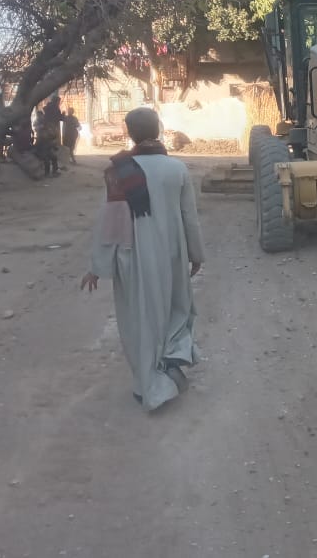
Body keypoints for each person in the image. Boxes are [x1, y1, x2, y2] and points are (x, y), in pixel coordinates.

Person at [80, 107, 204, 412]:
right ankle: (171, 360)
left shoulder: (119, 171)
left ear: (129, 132)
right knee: (176, 309)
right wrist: (196, 254)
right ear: (158, 129)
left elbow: (110, 223)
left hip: (132, 258)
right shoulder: (176, 169)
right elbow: (189, 218)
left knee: (140, 320)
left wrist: (97, 266)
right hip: (172, 255)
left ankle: (148, 385)